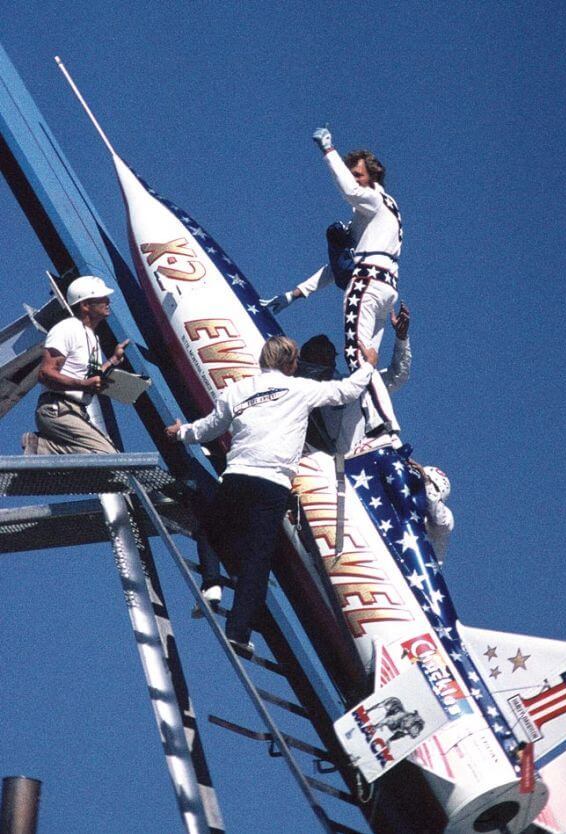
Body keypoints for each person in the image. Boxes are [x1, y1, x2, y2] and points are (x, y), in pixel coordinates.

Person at [166, 335, 378, 653]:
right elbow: (346, 391)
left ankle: (211, 583)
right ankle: (237, 632)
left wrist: (180, 433)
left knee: (209, 529)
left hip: (237, 475)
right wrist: (369, 365)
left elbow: (208, 429)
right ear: (291, 364)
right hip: (273, 485)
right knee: (257, 561)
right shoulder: (301, 389)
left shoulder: (237, 390)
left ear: (263, 360)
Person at [261, 126, 402, 438]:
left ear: (373, 176)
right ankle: (380, 425)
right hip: (386, 286)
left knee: (356, 357)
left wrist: (328, 151)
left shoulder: (374, 202)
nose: (354, 179)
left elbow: (350, 191)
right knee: (366, 358)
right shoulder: (382, 214)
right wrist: (294, 294)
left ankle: (383, 424)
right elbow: (337, 266)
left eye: (359, 174)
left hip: (366, 285)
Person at [23, 275, 129, 455]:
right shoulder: (67, 329)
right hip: (57, 409)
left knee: (110, 457)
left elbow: (90, 379)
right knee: (107, 456)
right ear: (85, 305)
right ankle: (41, 448)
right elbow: (45, 374)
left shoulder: (93, 338)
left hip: (75, 412)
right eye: (101, 298)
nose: (107, 301)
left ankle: (43, 449)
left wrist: (112, 361)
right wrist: (83, 385)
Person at [298, 302, 411, 455]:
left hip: (372, 453)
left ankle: (387, 437)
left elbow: (397, 376)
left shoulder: (355, 382)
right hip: (334, 463)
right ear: (306, 357)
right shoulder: (294, 385)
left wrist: (401, 338)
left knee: (370, 375)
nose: (325, 358)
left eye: (329, 354)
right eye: (319, 353)